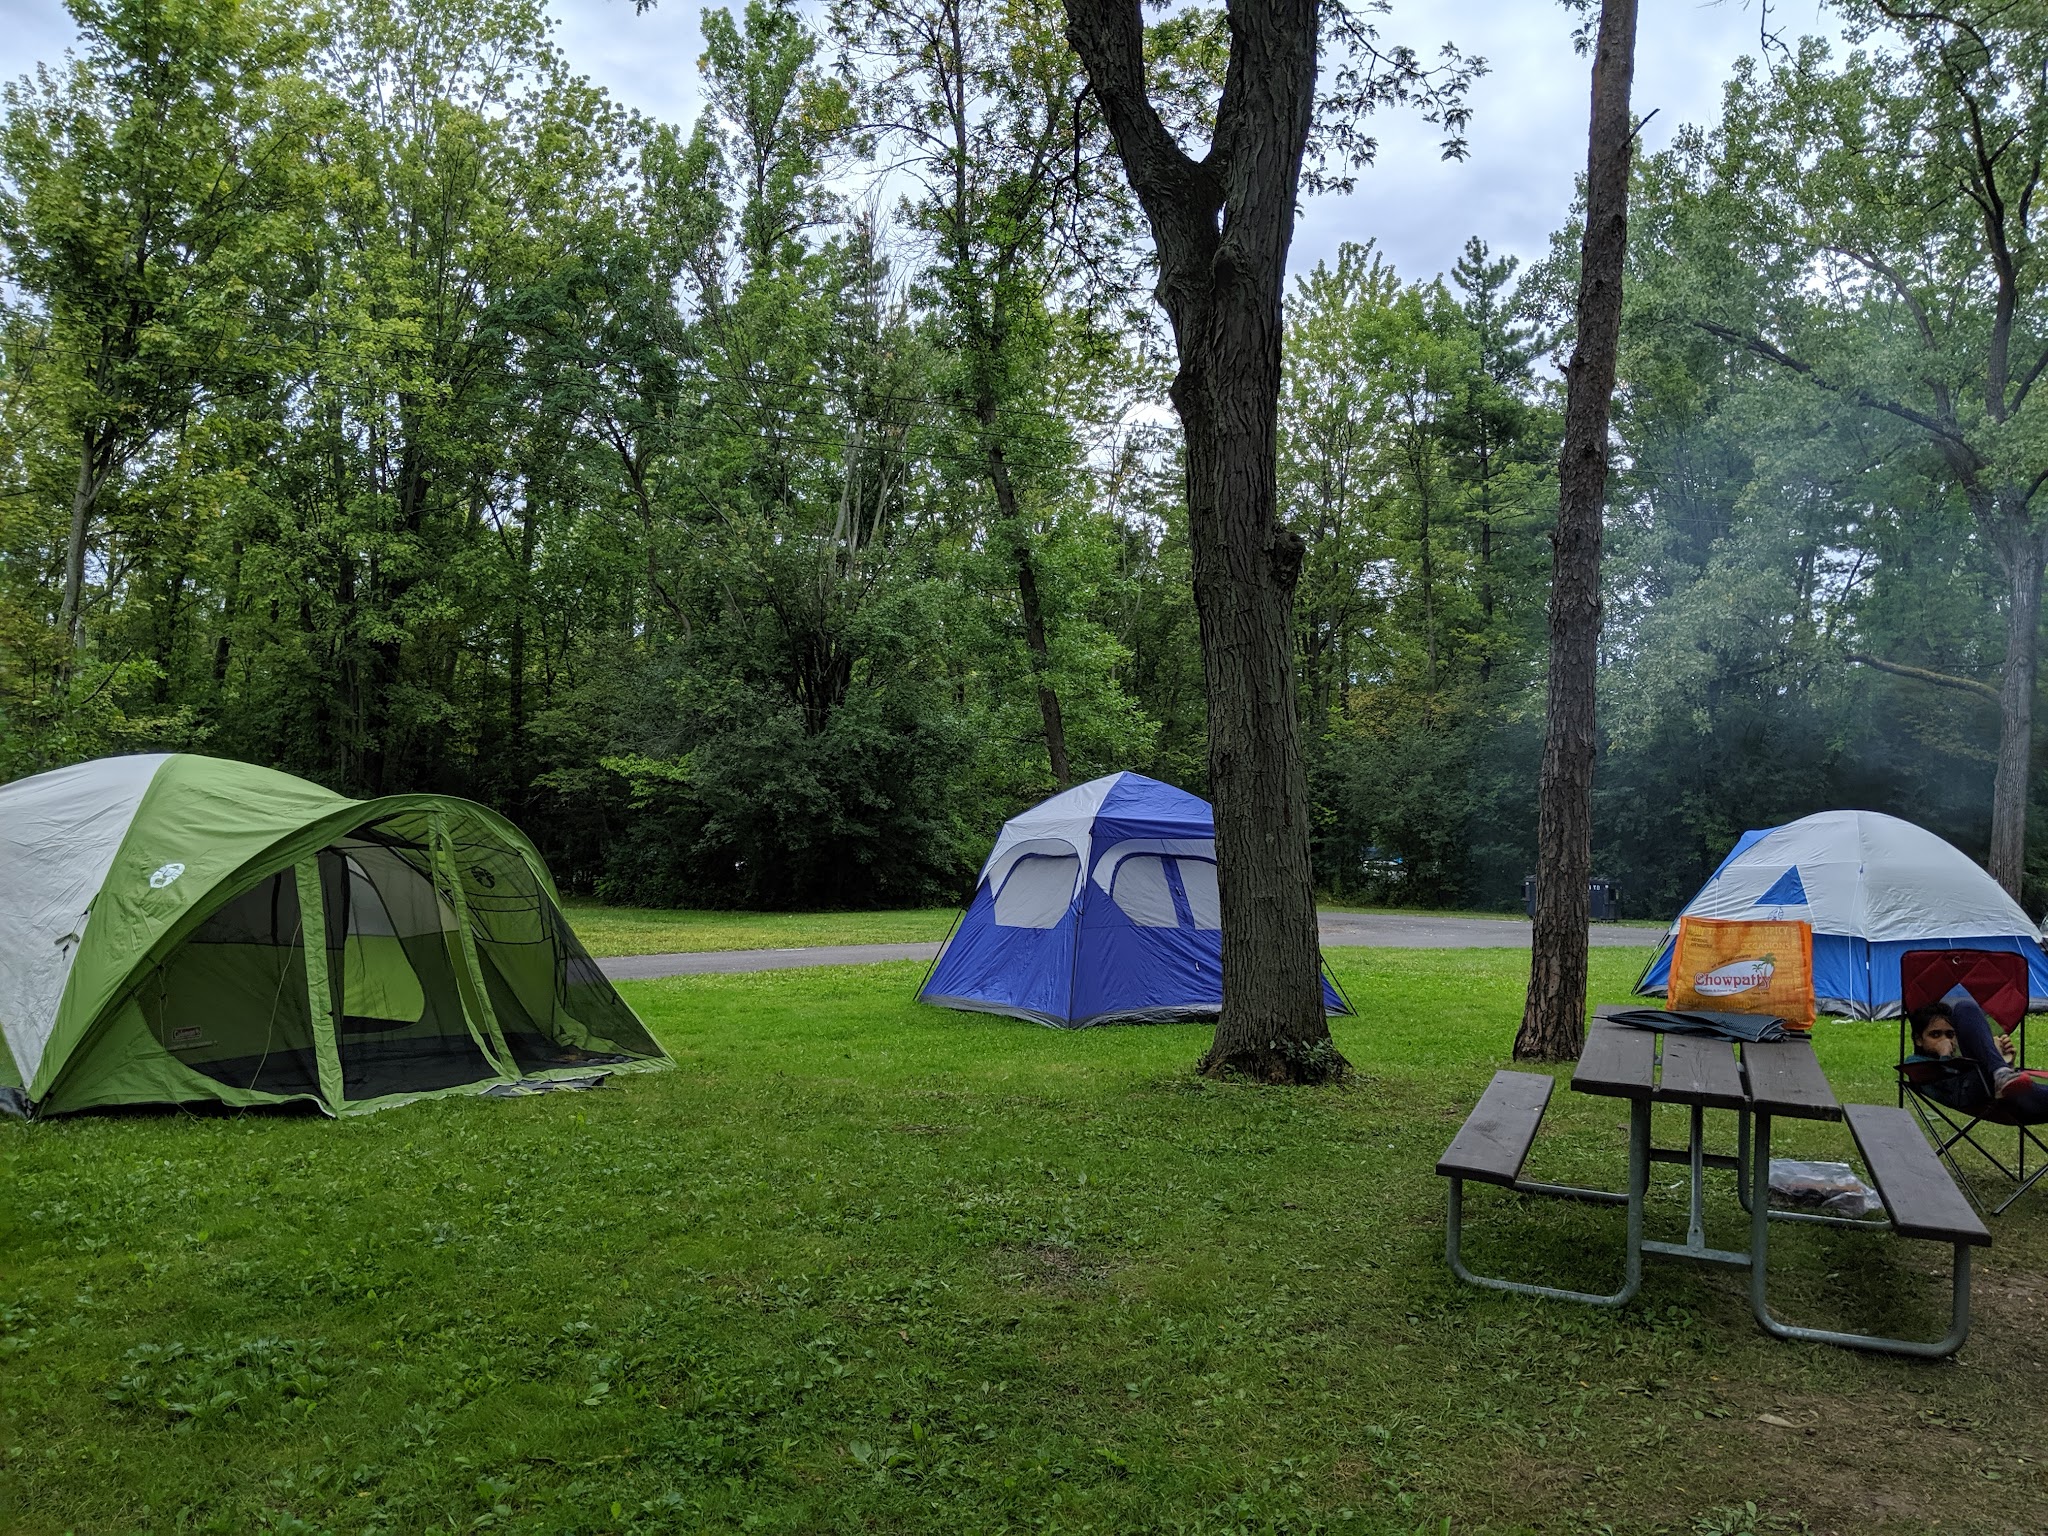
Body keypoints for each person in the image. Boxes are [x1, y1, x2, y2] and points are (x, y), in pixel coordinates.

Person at [1906, 990, 2048, 1121]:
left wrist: (2004, 1061)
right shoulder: (1915, 1063)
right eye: (1935, 1035)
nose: (1945, 1040)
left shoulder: (1959, 1055)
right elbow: (1949, 1088)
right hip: (1973, 1094)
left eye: (1950, 1034)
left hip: (2013, 1095)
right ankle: (2000, 1073)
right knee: (1964, 1006)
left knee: (1965, 1008)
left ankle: (2002, 1072)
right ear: (1918, 1039)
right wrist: (1945, 1056)